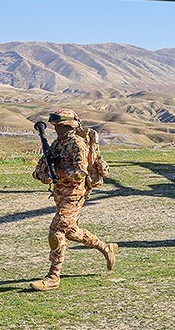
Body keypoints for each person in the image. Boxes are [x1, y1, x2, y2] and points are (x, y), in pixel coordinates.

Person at [30, 109, 117, 291]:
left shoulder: (78, 145)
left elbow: (79, 174)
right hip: (60, 193)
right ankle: (106, 247)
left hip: (75, 193)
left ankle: (53, 276)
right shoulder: (56, 145)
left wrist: (58, 173)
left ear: (69, 125)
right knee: (70, 231)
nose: (56, 129)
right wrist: (44, 175)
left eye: (60, 125)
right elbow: (39, 170)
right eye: (55, 125)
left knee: (56, 230)